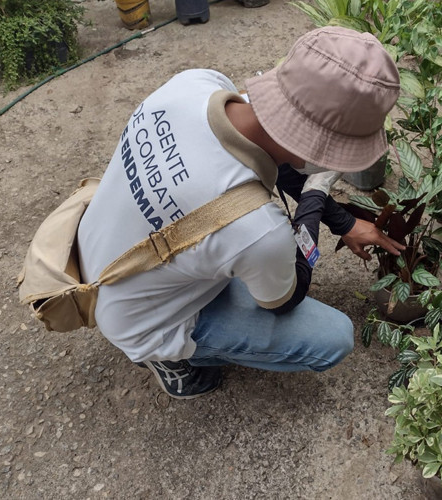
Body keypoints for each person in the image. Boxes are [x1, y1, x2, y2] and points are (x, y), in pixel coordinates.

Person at [77, 26, 404, 399]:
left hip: (99, 247)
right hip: (135, 317)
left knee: (233, 250)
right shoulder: (257, 231)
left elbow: (277, 154)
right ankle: (164, 355)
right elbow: (286, 298)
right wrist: (316, 193)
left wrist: (341, 221)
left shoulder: (195, 85)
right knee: (332, 338)